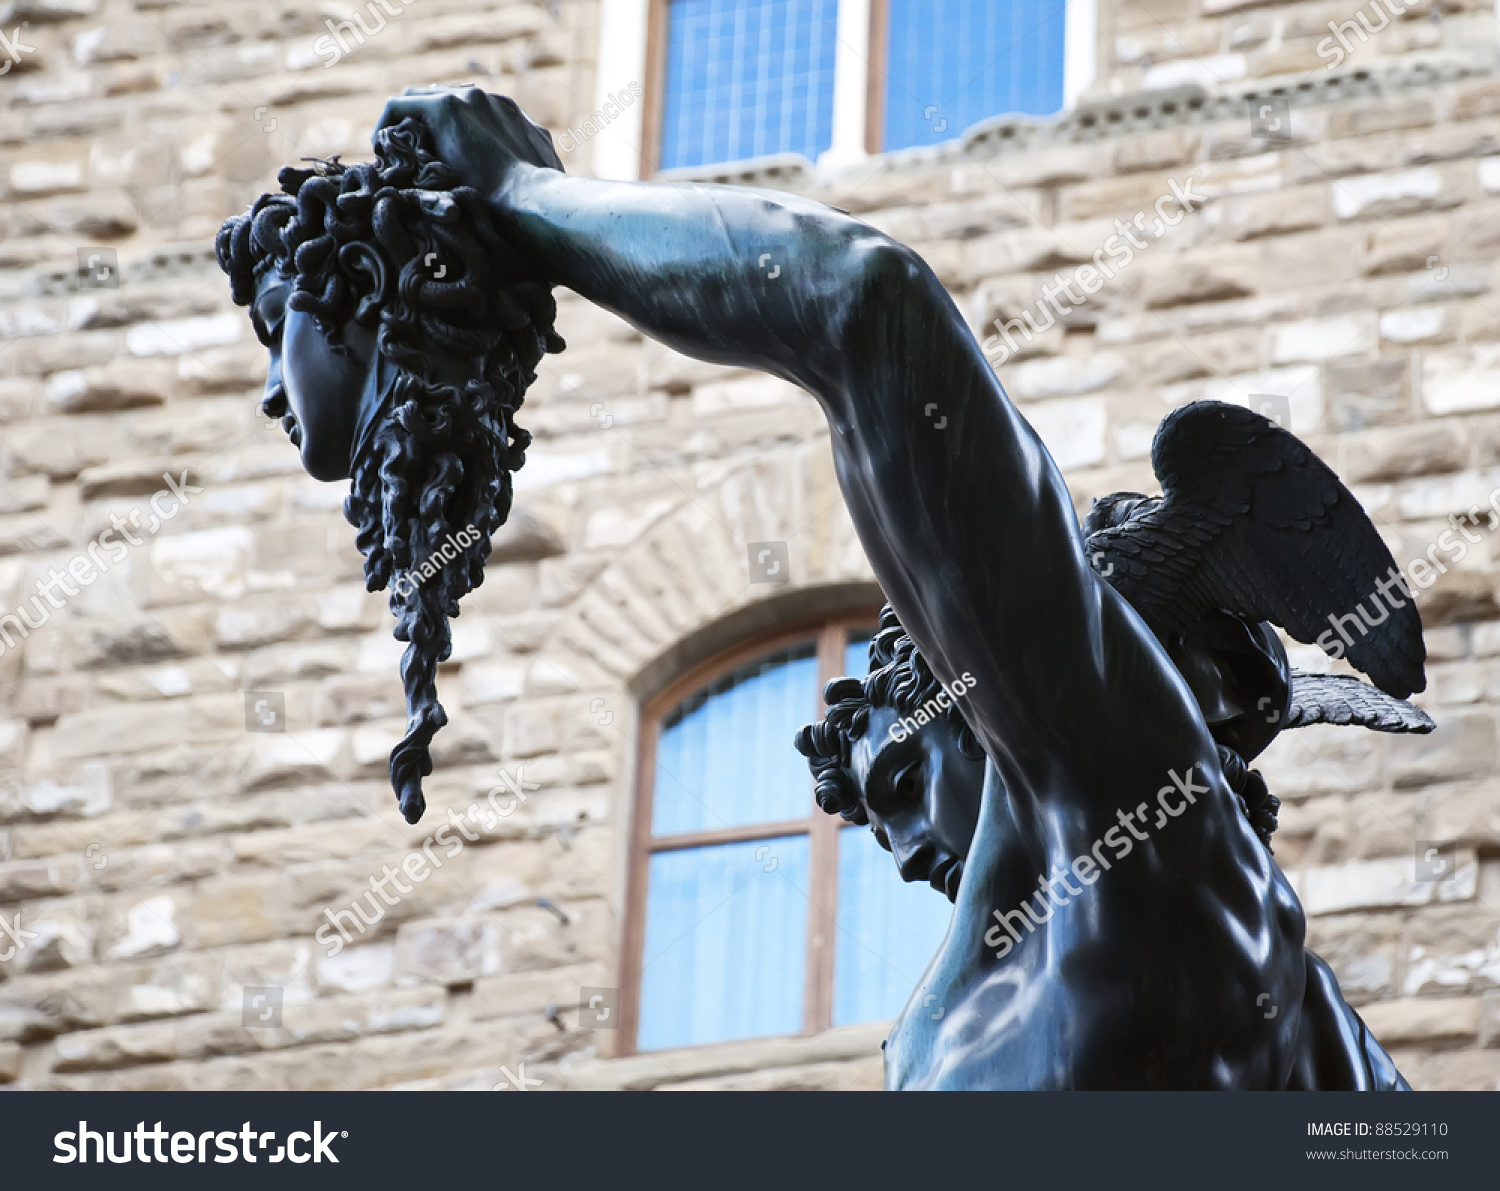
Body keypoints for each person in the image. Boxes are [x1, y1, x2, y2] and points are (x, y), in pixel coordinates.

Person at [228, 85, 1341, 1088]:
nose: (896, 847)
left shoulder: (1153, 853)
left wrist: (527, 198)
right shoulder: (976, 999)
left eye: (903, 774)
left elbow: (868, 306)